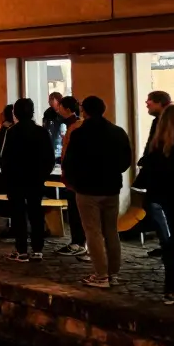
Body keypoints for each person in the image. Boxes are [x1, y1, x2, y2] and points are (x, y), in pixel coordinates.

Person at [62, 95, 132, 288]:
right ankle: (113, 273)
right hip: (111, 187)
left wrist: (73, 181)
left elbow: (70, 161)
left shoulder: (79, 134)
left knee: (92, 231)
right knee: (111, 231)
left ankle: (101, 275)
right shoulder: (117, 132)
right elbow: (125, 161)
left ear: (84, 111)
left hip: (87, 189)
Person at [0, 98, 56, 262]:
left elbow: (4, 158)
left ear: (15, 113)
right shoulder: (41, 132)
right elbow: (49, 158)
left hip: (16, 180)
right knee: (36, 213)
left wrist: (8, 177)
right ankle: (37, 249)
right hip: (36, 179)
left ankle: (22, 249)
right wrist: (42, 175)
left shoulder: (11, 132)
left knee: (18, 215)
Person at [140, 103, 174, 304]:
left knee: (171, 246)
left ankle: (170, 289)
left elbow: (148, 178)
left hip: (161, 203)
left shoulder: (155, 149)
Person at [141, 91, 173, 258]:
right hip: (160, 174)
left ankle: (168, 245)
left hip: (162, 175)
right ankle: (167, 244)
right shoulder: (159, 121)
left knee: (155, 207)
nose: (146, 103)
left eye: (150, 101)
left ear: (160, 102)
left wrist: (148, 160)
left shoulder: (166, 122)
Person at [55, 96, 87, 257]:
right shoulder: (72, 125)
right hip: (72, 174)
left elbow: (72, 152)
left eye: (60, 107)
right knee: (74, 208)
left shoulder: (77, 126)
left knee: (76, 210)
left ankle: (79, 242)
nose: (58, 110)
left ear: (67, 109)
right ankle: (78, 241)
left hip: (76, 176)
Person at [0, 103, 17, 239]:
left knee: (14, 201)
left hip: (11, 172)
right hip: (23, 173)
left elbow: (2, 152)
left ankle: (15, 228)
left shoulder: (8, 130)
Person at [42, 91, 66, 160]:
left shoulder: (64, 111)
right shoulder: (48, 112)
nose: (49, 102)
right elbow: (45, 125)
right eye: (49, 99)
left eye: (52, 99)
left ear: (58, 100)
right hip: (51, 139)